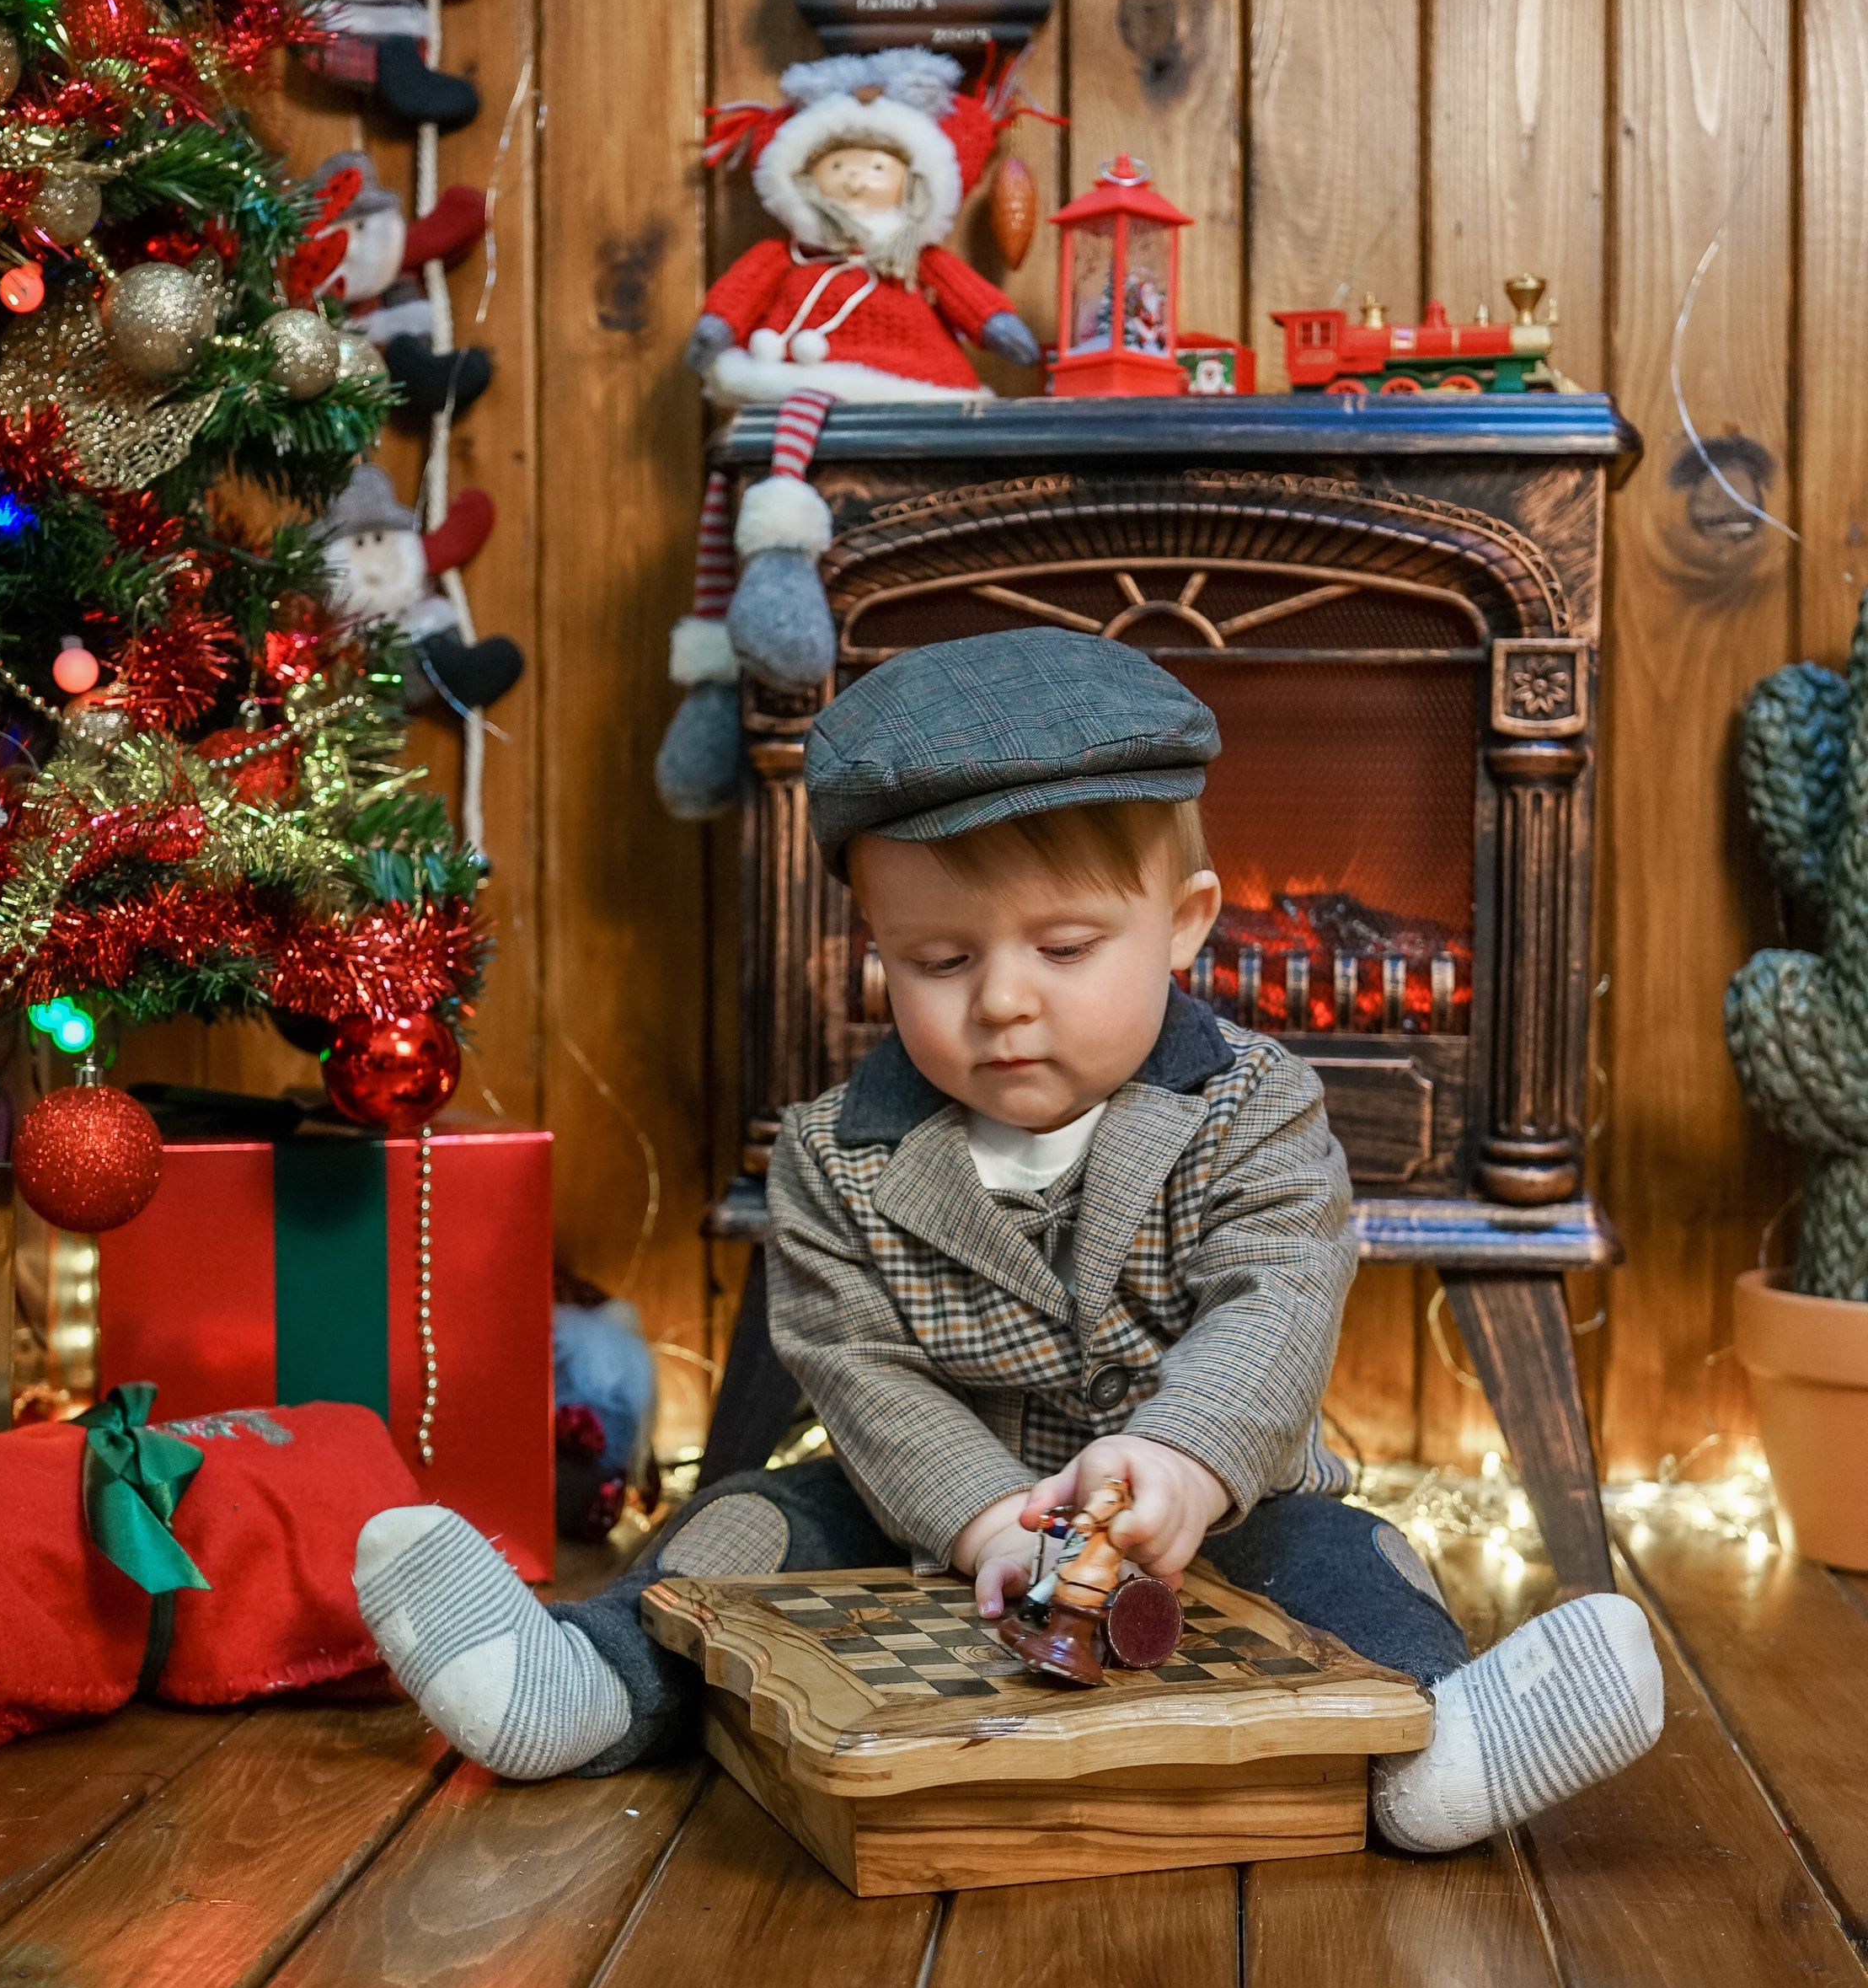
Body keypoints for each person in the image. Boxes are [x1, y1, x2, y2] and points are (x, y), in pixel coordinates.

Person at [356, 628, 1664, 1854]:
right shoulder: (833, 1156)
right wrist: (986, 1523)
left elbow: (1275, 1299)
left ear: (1186, 924)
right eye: (939, 961)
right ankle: (587, 1684)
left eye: (1066, 946)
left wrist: (1185, 1459)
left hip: (1213, 1513)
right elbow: (861, 1371)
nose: (1002, 1002)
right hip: (921, 1520)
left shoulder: (1255, 1106)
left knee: (1352, 1559)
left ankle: (1434, 1743)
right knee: (740, 1525)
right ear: (877, 951)